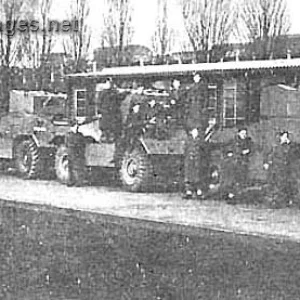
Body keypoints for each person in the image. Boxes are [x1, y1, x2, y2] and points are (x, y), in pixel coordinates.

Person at [183, 73, 209, 199]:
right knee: (190, 171)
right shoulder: (189, 141)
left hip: (197, 160)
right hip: (191, 160)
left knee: (198, 171)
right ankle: (189, 190)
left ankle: (198, 191)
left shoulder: (201, 91)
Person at [263, 131, 299, 208]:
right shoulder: (275, 146)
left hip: (285, 168)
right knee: (275, 184)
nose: (285, 138)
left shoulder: (290, 146)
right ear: (280, 137)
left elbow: (296, 151)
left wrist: (289, 143)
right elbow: (268, 155)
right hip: (275, 168)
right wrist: (266, 163)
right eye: (284, 136)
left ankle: (285, 200)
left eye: (287, 137)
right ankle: (275, 201)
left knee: (285, 184)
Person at [222, 127, 253, 202]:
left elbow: (251, 150)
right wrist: (230, 154)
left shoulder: (248, 142)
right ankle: (230, 195)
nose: (244, 135)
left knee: (240, 180)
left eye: (245, 134)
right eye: (242, 133)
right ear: (238, 133)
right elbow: (226, 149)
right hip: (233, 163)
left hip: (242, 163)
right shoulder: (233, 141)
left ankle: (234, 195)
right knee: (232, 180)